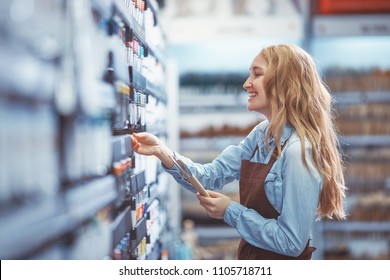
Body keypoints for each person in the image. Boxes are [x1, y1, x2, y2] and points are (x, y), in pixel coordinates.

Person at [131, 44, 347, 260]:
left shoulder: (299, 151)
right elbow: (208, 177)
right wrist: (163, 152)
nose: (246, 84)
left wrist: (230, 211)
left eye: (257, 74)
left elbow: (291, 242)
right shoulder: (261, 135)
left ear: (284, 83)